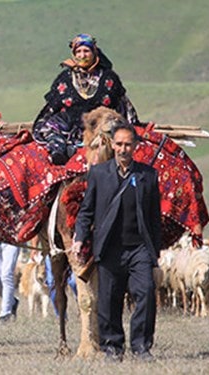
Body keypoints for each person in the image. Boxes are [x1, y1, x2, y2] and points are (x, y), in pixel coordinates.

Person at [71, 122, 161, 362]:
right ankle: (113, 347)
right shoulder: (99, 174)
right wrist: (79, 238)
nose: (123, 149)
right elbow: (86, 212)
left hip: (139, 248)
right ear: (112, 144)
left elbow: (154, 218)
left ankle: (142, 347)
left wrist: (155, 254)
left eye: (128, 144)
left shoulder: (148, 176)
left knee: (146, 293)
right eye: (119, 144)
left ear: (135, 146)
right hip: (109, 248)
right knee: (109, 300)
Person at [33, 33, 140, 165]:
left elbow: (123, 105)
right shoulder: (64, 79)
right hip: (69, 130)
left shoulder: (109, 78)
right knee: (54, 130)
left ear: (94, 52)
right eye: (78, 51)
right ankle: (60, 155)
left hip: (101, 129)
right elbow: (51, 108)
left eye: (86, 51)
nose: (82, 55)